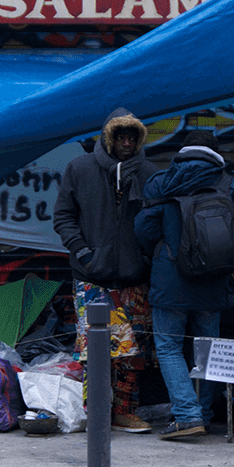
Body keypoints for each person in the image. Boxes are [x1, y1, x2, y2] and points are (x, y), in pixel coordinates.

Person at [134, 133, 234, 439]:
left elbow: (144, 227)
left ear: (182, 152)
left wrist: (161, 250)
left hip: (170, 279)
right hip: (214, 281)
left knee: (169, 348)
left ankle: (187, 416)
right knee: (207, 350)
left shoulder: (161, 182)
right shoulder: (230, 185)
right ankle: (204, 415)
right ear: (216, 154)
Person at [54, 107, 159, 433]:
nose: (127, 142)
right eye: (121, 136)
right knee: (93, 350)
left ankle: (125, 411)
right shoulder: (80, 168)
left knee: (133, 352)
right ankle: (96, 410)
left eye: (132, 137)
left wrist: (144, 258)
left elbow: (159, 223)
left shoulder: (149, 174)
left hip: (134, 277)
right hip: (91, 275)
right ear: (108, 138)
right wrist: (84, 252)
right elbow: (63, 216)